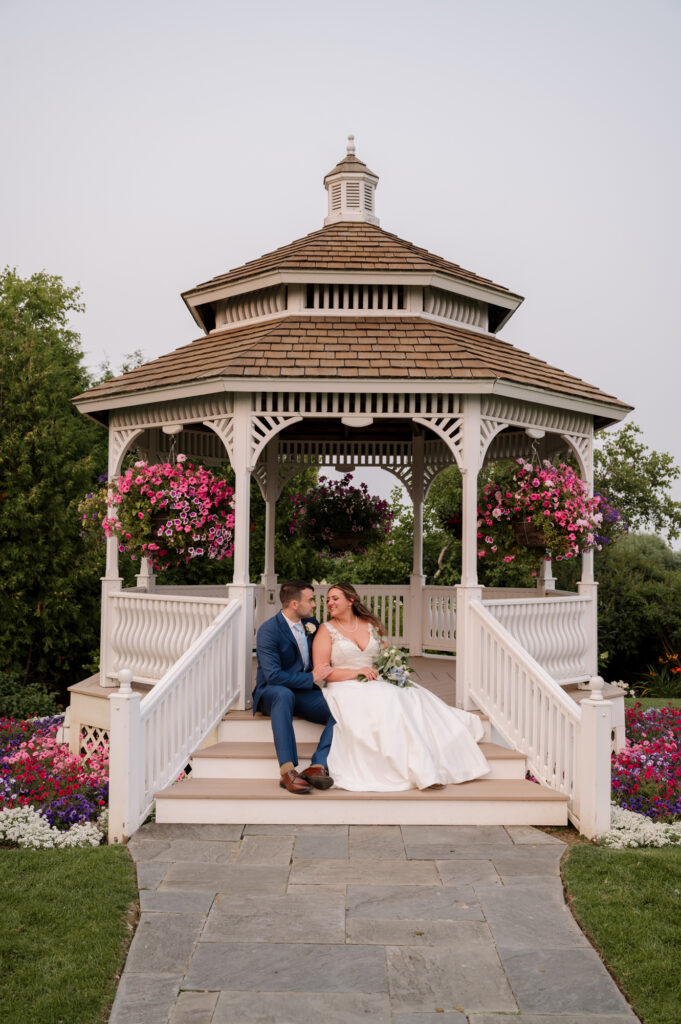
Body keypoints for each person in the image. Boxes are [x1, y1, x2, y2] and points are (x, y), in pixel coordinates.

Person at [313, 582, 490, 791]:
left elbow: (388, 655)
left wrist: (391, 667)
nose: (330, 603)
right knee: (388, 701)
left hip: (376, 681)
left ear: (351, 600)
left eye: (335, 598)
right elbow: (323, 672)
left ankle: (429, 765)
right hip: (344, 685)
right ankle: (421, 770)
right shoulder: (326, 630)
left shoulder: (370, 626)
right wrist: (356, 672)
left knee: (410, 697)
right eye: (328, 600)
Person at [254, 580, 335, 794]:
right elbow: (273, 676)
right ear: (293, 604)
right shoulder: (268, 631)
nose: (315, 605)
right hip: (272, 692)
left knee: (339, 709)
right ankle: (287, 770)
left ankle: (317, 765)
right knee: (283, 694)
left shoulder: (312, 625)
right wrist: (311, 678)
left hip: (302, 693)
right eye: (310, 600)